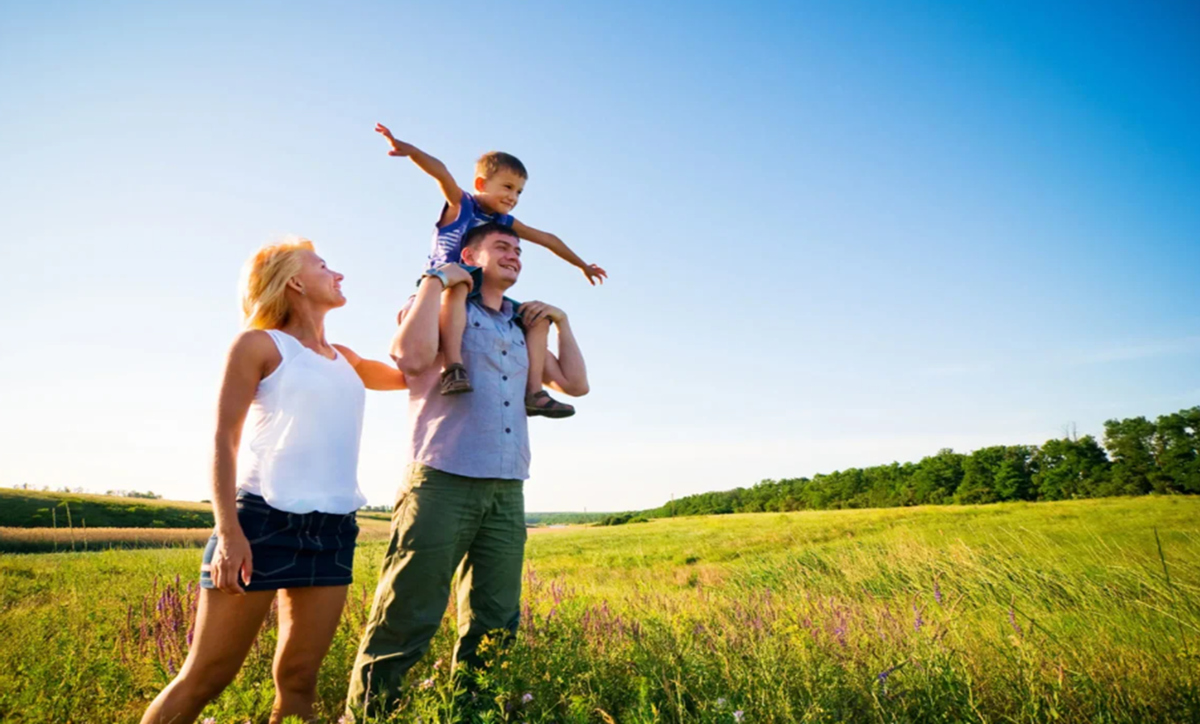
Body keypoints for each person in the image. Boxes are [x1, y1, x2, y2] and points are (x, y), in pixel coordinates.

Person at [140, 238, 408, 724]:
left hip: (332, 530)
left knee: (300, 677)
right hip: (261, 523)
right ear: (295, 282)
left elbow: (415, 374)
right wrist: (229, 533)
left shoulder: (345, 358)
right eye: (324, 266)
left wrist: (435, 297)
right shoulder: (259, 345)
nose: (338, 274)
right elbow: (224, 439)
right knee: (207, 676)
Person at [346, 222, 590, 717]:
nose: (515, 255)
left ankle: (473, 713)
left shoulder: (520, 327)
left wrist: (562, 322)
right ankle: (367, 715)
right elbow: (409, 357)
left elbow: (575, 385)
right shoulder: (442, 306)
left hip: (507, 485)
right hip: (442, 478)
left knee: (496, 619)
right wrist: (436, 281)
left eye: (519, 250)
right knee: (408, 611)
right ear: (471, 256)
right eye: (502, 246)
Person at [375, 122, 604, 418]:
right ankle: (453, 367)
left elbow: (547, 238)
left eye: (519, 192)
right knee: (460, 284)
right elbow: (441, 173)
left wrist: (582, 265)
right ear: (482, 184)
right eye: (507, 187)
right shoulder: (462, 205)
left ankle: (534, 392)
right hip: (445, 281)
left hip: (479, 292)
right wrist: (411, 152)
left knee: (537, 319)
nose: (513, 197)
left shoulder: (504, 222)